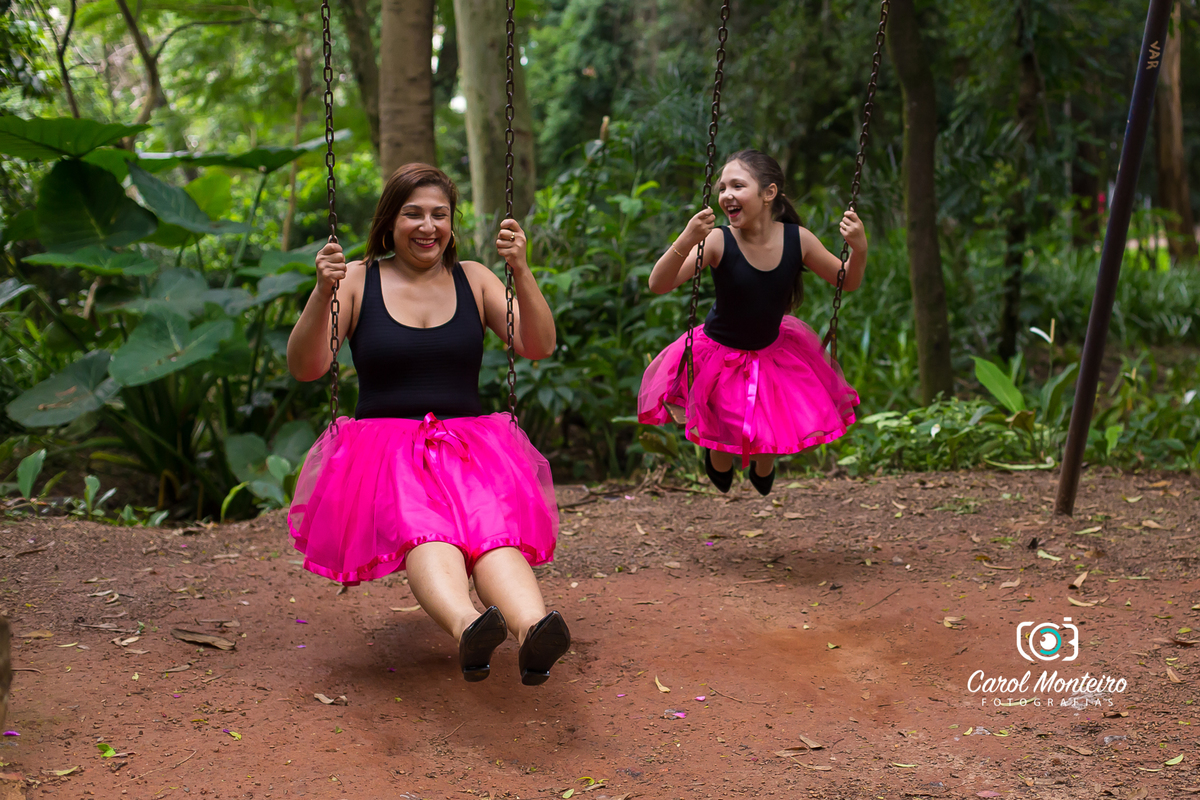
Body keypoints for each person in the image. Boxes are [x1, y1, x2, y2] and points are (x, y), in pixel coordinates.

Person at [286, 163, 569, 685]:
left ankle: (533, 629)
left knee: (494, 538)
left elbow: (538, 345)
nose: (427, 226)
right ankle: (469, 628)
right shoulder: (357, 280)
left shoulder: (475, 278)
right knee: (429, 534)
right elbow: (307, 367)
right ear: (389, 221)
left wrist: (521, 270)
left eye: (439, 214)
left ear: (452, 224)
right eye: (413, 214)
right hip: (387, 452)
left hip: (468, 446)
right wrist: (322, 291)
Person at [638, 149, 864, 495]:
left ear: (768, 193)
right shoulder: (719, 240)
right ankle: (718, 457)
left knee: (768, 435)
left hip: (773, 351)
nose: (726, 195)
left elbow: (846, 281)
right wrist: (687, 238)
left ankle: (762, 464)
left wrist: (859, 249)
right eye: (722, 188)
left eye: (737, 186)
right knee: (724, 435)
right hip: (720, 353)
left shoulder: (798, 239)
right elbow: (658, 284)